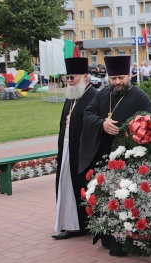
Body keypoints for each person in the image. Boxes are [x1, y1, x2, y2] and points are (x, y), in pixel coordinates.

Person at [79, 55, 151, 180]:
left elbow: (149, 127)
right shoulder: (102, 94)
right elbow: (87, 114)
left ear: (128, 76)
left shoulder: (141, 98)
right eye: (113, 78)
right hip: (101, 158)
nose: (117, 81)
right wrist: (101, 123)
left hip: (128, 160)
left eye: (121, 78)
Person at [52, 57, 98, 240]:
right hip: (67, 151)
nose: (70, 80)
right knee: (65, 186)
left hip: (85, 152)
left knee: (82, 187)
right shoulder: (71, 96)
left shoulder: (95, 96)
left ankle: (85, 224)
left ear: (85, 76)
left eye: (74, 77)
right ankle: (69, 224)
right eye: (68, 76)